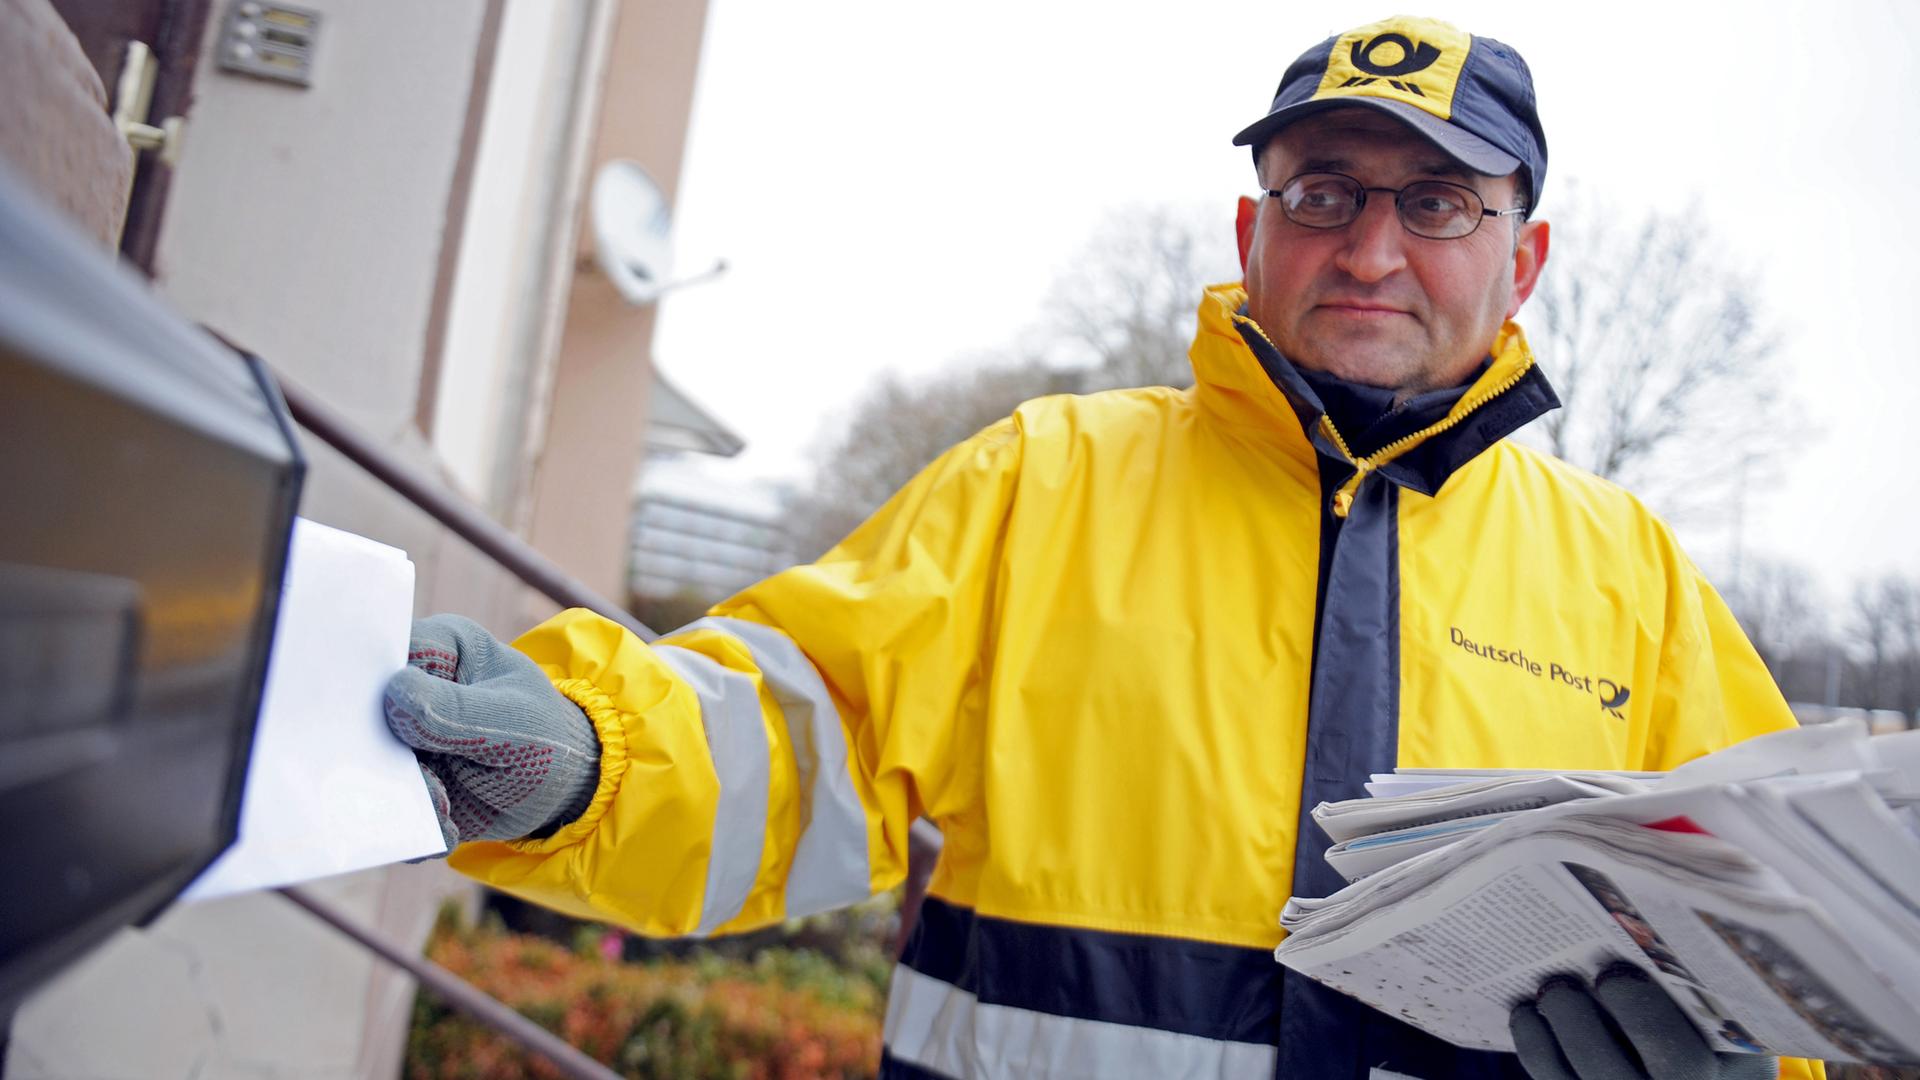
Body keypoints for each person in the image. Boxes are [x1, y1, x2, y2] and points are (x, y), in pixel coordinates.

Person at [384, 15, 1816, 1080]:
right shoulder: (1044, 482)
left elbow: (1791, 940)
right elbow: (786, 733)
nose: (1374, 251)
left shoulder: (1630, 578)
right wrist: (581, 763)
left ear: (1528, 258)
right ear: (1256, 230)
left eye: (1438, 202)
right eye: (1326, 193)